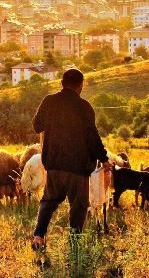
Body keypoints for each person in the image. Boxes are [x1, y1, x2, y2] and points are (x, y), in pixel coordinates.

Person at [31, 68, 112, 251]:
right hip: (78, 167)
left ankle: (38, 236)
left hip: (54, 163)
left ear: (62, 83)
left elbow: (37, 126)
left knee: (49, 201)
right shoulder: (84, 107)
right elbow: (92, 136)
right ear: (80, 85)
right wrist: (104, 158)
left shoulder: (49, 101)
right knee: (79, 206)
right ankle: (74, 245)